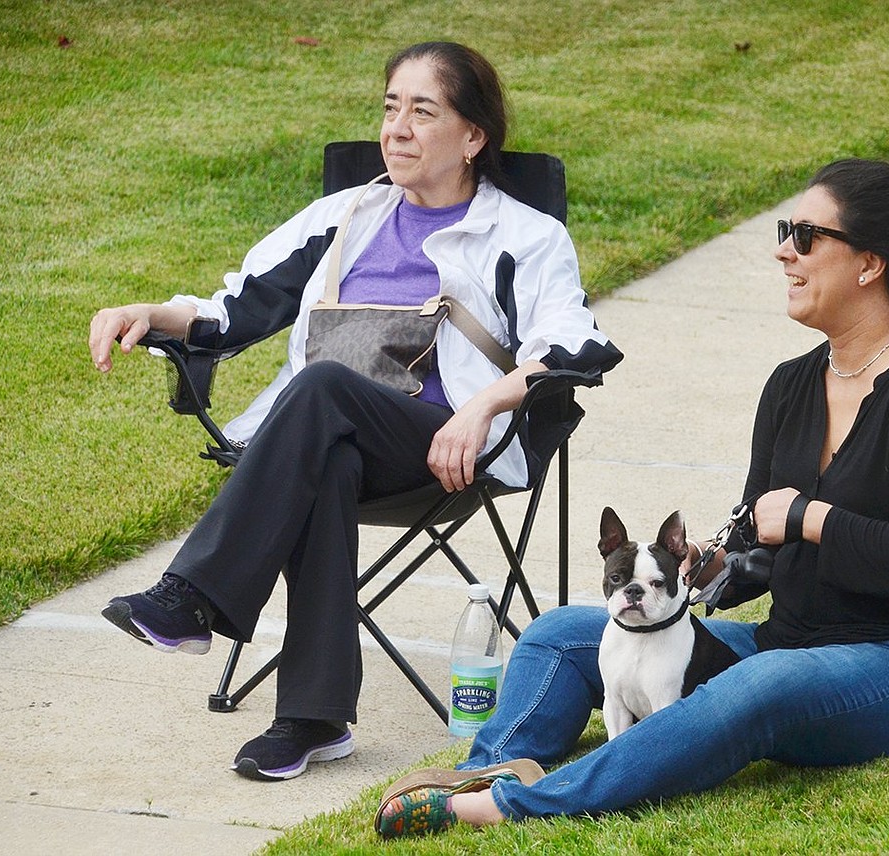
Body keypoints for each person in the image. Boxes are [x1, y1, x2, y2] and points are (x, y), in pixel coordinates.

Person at [375, 158, 889, 838]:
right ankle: (499, 768)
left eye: (805, 236)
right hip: (788, 644)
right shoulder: (793, 385)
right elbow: (764, 548)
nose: (782, 249)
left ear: (869, 264)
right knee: (561, 635)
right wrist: (715, 564)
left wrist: (809, 516)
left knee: (757, 689)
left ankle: (516, 808)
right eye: (783, 230)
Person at [89, 41, 623, 781]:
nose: (397, 129)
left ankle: (192, 597)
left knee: (319, 389)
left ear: (473, 138)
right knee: (325, 451)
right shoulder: (346, 213)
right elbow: (234, 312)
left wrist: (487, 408)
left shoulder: (523, 236)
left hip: (444, 446)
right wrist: (144, 310)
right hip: (326, 437)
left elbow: (576, 342)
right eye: (389, 108)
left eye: (423, 112)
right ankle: (312, 719)